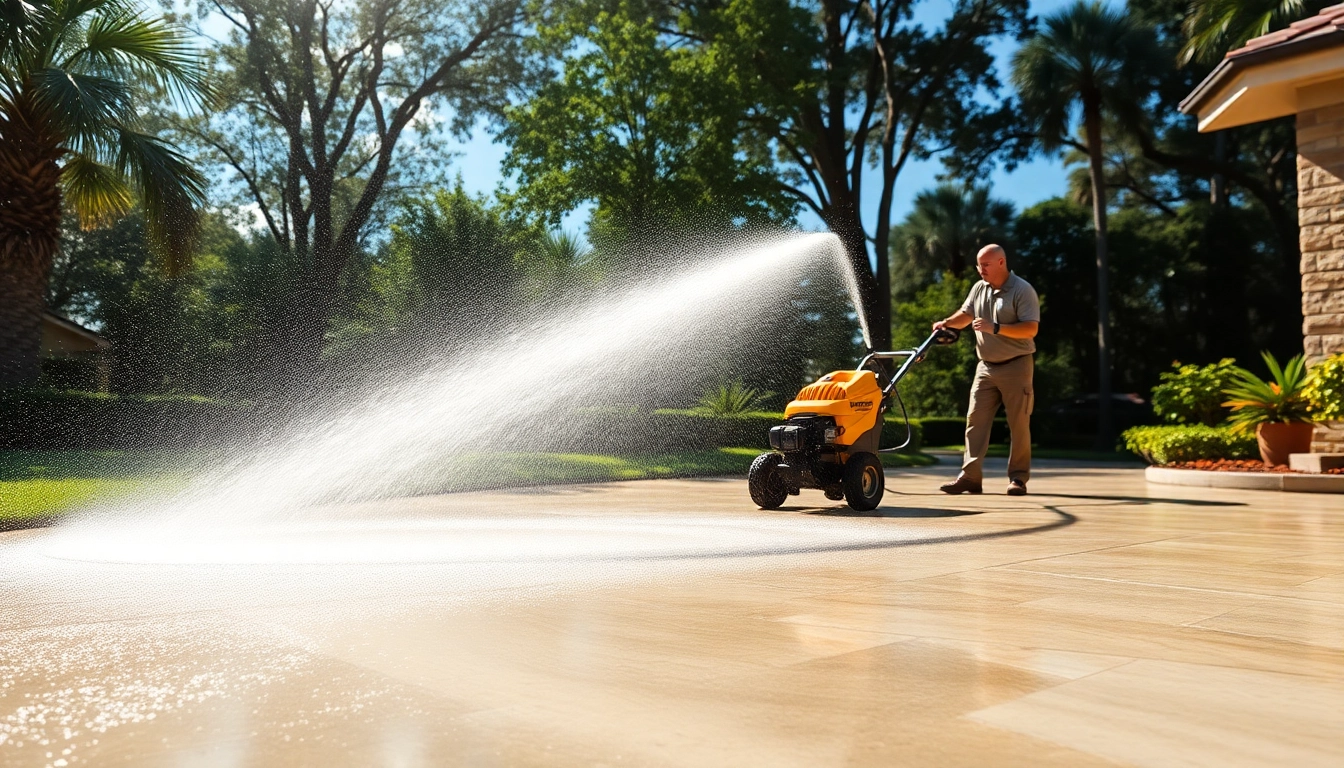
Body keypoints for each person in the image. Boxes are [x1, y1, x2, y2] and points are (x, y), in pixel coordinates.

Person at [932, 244, 1040, 496]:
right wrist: (946, 323)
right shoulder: (979, 287)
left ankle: (1018, 479)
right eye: (979, 265)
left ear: (1001, 262)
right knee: (974, 421)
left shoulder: (1022, 290)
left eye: (986, 265)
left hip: (1017, 364)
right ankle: (970, 477)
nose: (981, 270)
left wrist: (996, 328)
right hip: (986, 367)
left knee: (1019, 423)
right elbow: (966, 314)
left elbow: (1030, 329)